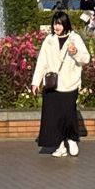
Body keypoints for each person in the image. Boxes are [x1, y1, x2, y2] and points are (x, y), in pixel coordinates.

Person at [31, 10, 88, 157]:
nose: (57, 27)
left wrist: (75, 52)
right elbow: (41, 62)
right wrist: (35, 82)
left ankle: (72, 139)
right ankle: (60, 144)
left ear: (66, 24)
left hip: (70, 83)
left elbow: (86, 59)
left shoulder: (75, 38)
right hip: (52, 84)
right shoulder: (49, 40)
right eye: (55, 24)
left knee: (68, 114)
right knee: (53, 116)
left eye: (60, 24)